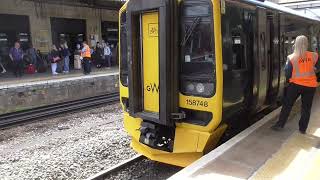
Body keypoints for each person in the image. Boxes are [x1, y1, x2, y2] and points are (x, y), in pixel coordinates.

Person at [271, 35, 320, 134]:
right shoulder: (314, 55)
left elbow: (288, 73)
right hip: (310, 86)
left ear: (295, 44)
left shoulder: (291, 57)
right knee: (306, 108)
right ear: (307, 43)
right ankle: (302, 129)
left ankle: (280, 124)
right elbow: (317, 68)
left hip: (295, 85)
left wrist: (290, 80)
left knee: (287, 105)